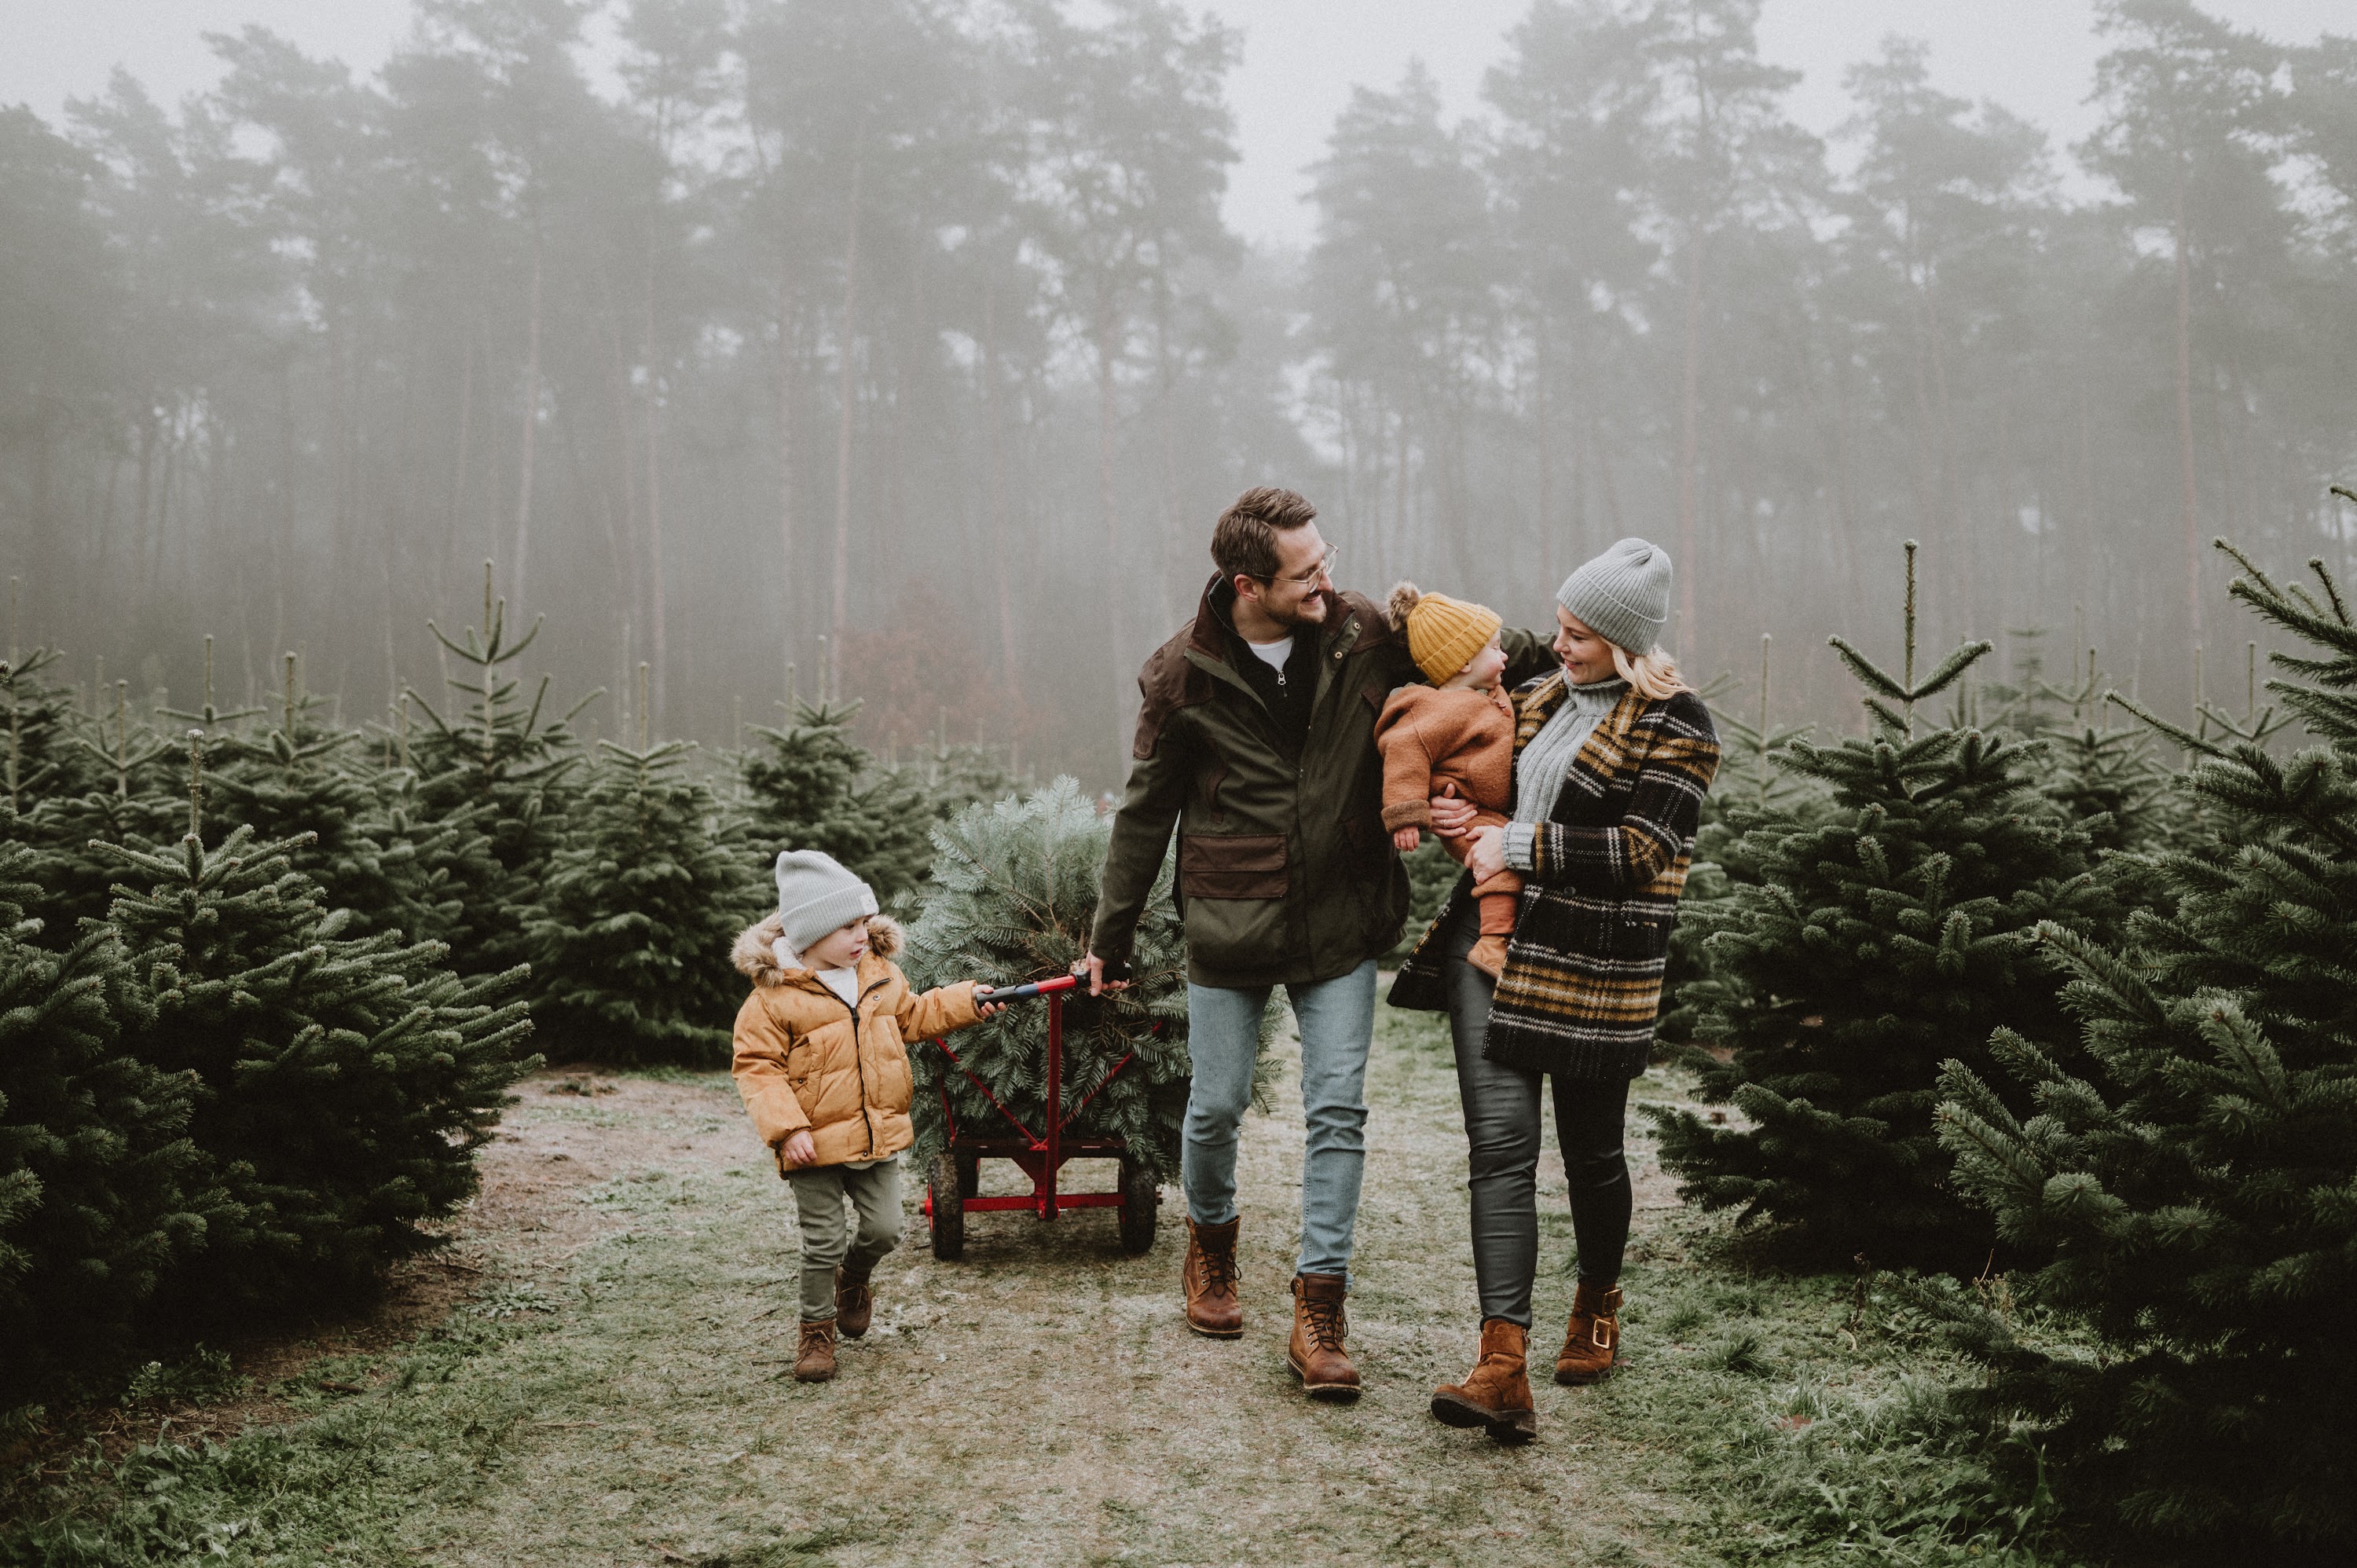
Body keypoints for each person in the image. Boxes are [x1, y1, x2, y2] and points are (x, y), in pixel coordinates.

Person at [1079, 485, 1557, 1403]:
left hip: (1343, 914)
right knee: (1215, 1106)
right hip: (1230, 914)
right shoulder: (1181, 673)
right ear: (1247, 581)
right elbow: (1145, 813)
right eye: (1308, 573)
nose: (1329, 583)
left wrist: (1599, 658)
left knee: (1338, 1109)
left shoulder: (1365, 632)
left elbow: (1495, 652)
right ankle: (1211, 1247)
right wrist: (1112, 934)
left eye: (1328, 560)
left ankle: (1319, 1308)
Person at [1392, 537, 1719, 1445]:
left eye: (1579, 634)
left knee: (1591, 1151)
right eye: (1562, 626)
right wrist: (1464, 812)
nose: (1561, 644)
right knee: (1499, 1147)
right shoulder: (1533, 696)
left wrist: (1520, 846)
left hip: (1596, 964)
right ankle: (1502, 1363)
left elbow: (1644, 851)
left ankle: (1598, 1300)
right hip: (1492, 947)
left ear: (1626, 642)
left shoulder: (1679, 725)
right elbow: (1482, 781)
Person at [730, 849, 1006, 1384]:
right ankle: (816, 1332)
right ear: (810, 935)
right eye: (848, 926)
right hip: (810, 1147)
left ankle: (854, 1278)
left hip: (875, 1132)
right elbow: (756, 1068)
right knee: (823, 1242)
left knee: (883, 1230)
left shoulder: (878, 974)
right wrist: (788, 1130)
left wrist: (968, 1001)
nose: (863, 934)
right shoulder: (773, 997)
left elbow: (916, 1015)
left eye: (864, 922)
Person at [1373, 583, 1520, 980]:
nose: (1505, 654)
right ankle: (1492, 944)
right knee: (1501, 863)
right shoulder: (1438, 711)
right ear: (1463, 663)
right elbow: (1405, 750)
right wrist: (1406, 814)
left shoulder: (1487, 694)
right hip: (1468, 819)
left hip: (1485, 807)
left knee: (1515, 853)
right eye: (1495, 647)